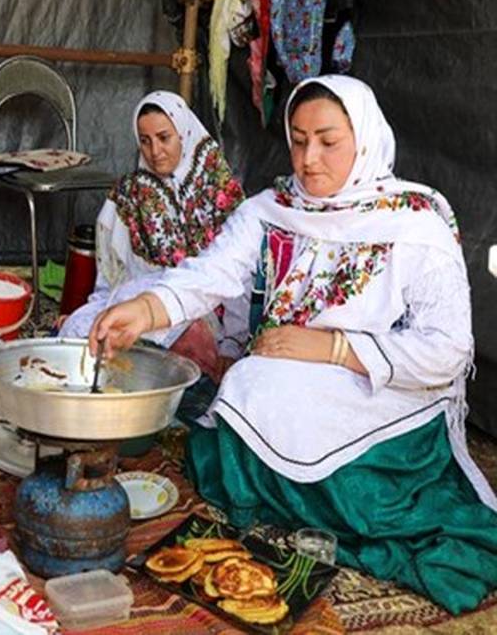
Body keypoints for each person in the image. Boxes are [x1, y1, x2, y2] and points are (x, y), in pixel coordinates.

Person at [91, 76, 497, 613]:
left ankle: (344, 504)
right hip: (293, 364)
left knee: (347, 473)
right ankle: (290, 501)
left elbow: (446, 350)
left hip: (388, 383)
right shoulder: (276, 207)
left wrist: (331, 349)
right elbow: (211, 272)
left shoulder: (415, 224)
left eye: (328, 141)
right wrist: (145, 309)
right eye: (299, 139)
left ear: (365, 137)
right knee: (248, 382)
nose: (309, 158)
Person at [59, 91, 247, 379]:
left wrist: (233, 343)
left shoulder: (218, 190)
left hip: (199, 311)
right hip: (134, 303)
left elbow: (237, 274)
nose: (155, 151)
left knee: (184, 339)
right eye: (145, 141)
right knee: (77, 329)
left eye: (164, 137)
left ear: (183, 133)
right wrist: (98, 310)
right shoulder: (128, 194)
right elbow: (111, 276)